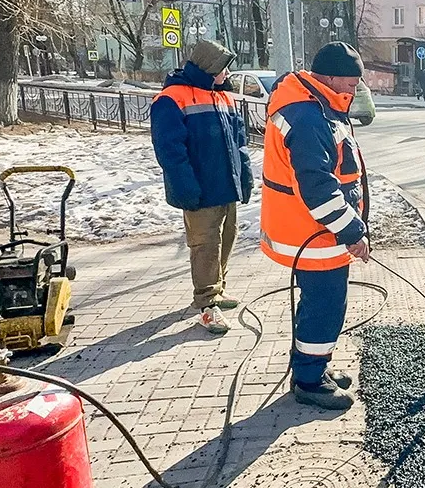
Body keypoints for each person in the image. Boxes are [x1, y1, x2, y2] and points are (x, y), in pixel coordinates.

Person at [260, 42, 371, 410]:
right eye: (351, 81)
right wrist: (352, 231)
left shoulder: (320, 105)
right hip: (312, 234)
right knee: (324, 305)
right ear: (328, 76)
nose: (355, 89)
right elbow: (318, 187)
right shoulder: (308, 117)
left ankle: (313, 365)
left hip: (317, 232)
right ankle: (309, 380)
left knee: (320, 304)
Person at [151, 40, 254, 335]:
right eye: (223, 66)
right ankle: (208, 304)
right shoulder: (172, 98)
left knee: (227, 236)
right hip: (199, 189)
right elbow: (170, 150)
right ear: (209, 67)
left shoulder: (224, 98)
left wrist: (244, 177)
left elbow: (239, 144)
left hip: (225, 185)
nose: (227, 72)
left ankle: (217, 291)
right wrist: (184, 187)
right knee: (205, 244)